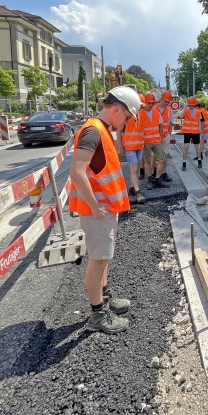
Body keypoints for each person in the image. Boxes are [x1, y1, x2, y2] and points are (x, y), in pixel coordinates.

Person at [69, 86, 139, 334]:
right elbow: (77, 172)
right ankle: (98, 314)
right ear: (117, 109)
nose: (127, 123)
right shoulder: (92, 132)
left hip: (105, 210)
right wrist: (94, 205)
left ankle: (105, 297)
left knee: (104, 257)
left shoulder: (103, 131)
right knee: (98, 260)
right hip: (98, 212)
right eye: (128, 117)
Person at [117, 97, 146, 205]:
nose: (141, 107)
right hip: (129, 147)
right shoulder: (127, 116)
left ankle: (131, 188)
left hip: (139, 146)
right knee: (134, 168)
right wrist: (120, 145)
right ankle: (138, 192)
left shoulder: (141, 115)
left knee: (135, 168)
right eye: (140, 106)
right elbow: (119, 131)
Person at [139, 92, 169, 191]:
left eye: (153, 103)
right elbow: (138, 128)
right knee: (147, 160)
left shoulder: (156, 113)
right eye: (149, 103)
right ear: (145, 103)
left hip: (156, 140)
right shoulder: (140, 114)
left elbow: (161, 125)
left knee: (161, 159)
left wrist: (160, 137)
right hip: (146, 141)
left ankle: (157, 179)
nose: (151, 105)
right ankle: (150, 178)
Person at [180, 96, 203, 171]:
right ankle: (184, 163)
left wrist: (200, 130)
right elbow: (181, 116)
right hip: (187, 131)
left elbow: (199, 122)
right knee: (186, 147)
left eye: (192, 105)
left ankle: (199, 160)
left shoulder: (198, 112)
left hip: (195, 132)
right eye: (190, 105)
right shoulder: (186, 110)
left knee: (197, 147)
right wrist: (185, 106)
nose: (191, 106)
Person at [155, 91, 174, 183]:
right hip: (155, 136)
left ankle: (164, 173)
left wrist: (169, 132)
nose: (166, 103)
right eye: (165, 101)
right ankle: (156, 173)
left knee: (165, 155)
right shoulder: (154, 108)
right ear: (161, 98)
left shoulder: (169, 110)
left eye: (168, 101)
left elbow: (170, 122)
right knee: (155, 156)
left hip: (165, 135)